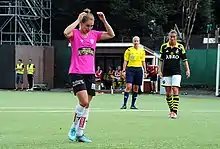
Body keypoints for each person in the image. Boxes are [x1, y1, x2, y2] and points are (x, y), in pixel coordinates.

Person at [63, 8, 115, 142]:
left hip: (90, 73)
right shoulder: (74, 33)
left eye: (92, 26)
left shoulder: (94, 35)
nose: (89, 28)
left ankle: (80, 133)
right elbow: (66, 32)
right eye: (87, 25)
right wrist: (77, 20)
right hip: (76, 72)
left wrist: (103, 20)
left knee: (87, 105)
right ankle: (73, 128)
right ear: (82, 23)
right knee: (83, 101)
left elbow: (111, 34)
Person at [158, 30, 190, 119]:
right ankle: (171, 110)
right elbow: (161, 60)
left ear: (176, 38)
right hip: (166, 72)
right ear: (168, 37)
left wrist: (188, 70)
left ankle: (174, 112)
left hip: (177, 72)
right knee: (168, 92)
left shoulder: (180, 47)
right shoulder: (164, 47)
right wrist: (159, 71)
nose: (172, 38)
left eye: (174, 37)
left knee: (175, 89)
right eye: (171, 37)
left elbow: (184, 60)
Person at [121, 36, 147, 109]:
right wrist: (123, 70)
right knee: (129, 86)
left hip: (139, 69)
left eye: (137, 41)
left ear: (139, 42)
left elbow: (143, 61)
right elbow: (125, 61)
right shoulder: (129, 50)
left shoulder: (142, 51)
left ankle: (133, 105)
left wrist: (145, 70)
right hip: (130, 69)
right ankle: (124, 104)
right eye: (135, 41)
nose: (136, 42)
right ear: (133, 42)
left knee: (136, 88)